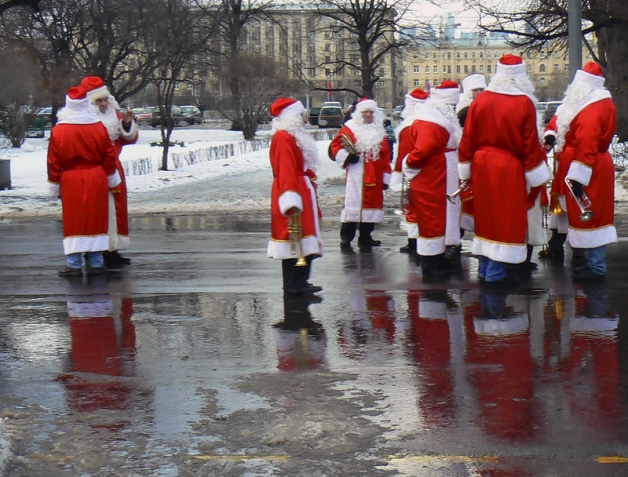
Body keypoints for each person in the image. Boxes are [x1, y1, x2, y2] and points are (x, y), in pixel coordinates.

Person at [458, 54, 549, 288]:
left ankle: (486, 269)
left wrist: (466, 167)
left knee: (486, 216)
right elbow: (529, 143)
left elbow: (467, 138)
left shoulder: (481, 101)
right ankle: (496, 276)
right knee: (506, 218)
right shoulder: (524, 103)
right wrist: (536, 173)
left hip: (481, 165)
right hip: (509, 166)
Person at [47, 86, 121, 276]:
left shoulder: (59, 131)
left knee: (74, 219)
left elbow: (53, 160)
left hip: (71, 179)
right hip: (96, 177)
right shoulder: (98, 127)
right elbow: (108, 155)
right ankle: (96, 261)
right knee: (96, 217)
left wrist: (55, 183)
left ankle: (73, 263)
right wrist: (111, 176)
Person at [555, 62, 617, 280]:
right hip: (593, 163)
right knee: (594, 214)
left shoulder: (592, 108)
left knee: (592, 215)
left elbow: (587, 142)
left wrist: (578, 175)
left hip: (588, 165)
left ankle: (596, 266)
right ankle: (593, 262)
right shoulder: (597, 103)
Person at [403, 81, 462, 278]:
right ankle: (430, 265)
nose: (454, 108)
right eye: (452, 105)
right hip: (433, 176)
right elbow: (422, 150)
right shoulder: (432, 122)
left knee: (440, 216)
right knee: (432, 218)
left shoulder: (435, 119)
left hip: (439, 174)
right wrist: (409, 164)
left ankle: (437, 259)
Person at [267, 97, 324, 296]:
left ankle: (301, 281)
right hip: (292, 190)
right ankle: (293, 285)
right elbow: (285, 169)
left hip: (301, 188)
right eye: (300, 115)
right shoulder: (283, 138)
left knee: (303, 235)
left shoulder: (292, 136)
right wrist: (291, 196)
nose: (304, 119)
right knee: (293, 235)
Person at [81, 76, 138, 270]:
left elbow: (128, 138)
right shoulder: (83, 120)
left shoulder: (114, 117)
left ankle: (112, 251)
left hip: (113, 168)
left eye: (105, 100)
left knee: (115, 211)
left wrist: (127, 125)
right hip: (92, 171)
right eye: (99, 101)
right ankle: (92, 251)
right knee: (94, 211)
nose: (104, 104)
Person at [329, 98, 392, 250]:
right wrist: (347, 156)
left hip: (375, 174)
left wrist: (386, 175)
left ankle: (365, 236)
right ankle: (346, 238)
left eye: (371, 112)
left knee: (372, 205)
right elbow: (335, 147)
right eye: (366, 112)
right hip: (356, 173)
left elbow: (385, 155)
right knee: (353, 205)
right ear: (359, 113)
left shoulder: (380, 132)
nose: (369, 115)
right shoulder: (349, 130)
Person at [391, 88, 430, 257]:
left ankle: (414, 241)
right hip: (425, 172)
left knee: (412, 207)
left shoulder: (409, 126)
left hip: (412, 173)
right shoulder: (426, 122)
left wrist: (400, 173)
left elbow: (404, 153)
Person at [455, 74, 487, 235]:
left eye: (482, 89)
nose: (479, 92)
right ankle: (455, 240)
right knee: (463, 200)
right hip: (464, 160)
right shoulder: (463, 111)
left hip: (483, 160)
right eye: (476, 90)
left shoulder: (488, 107)